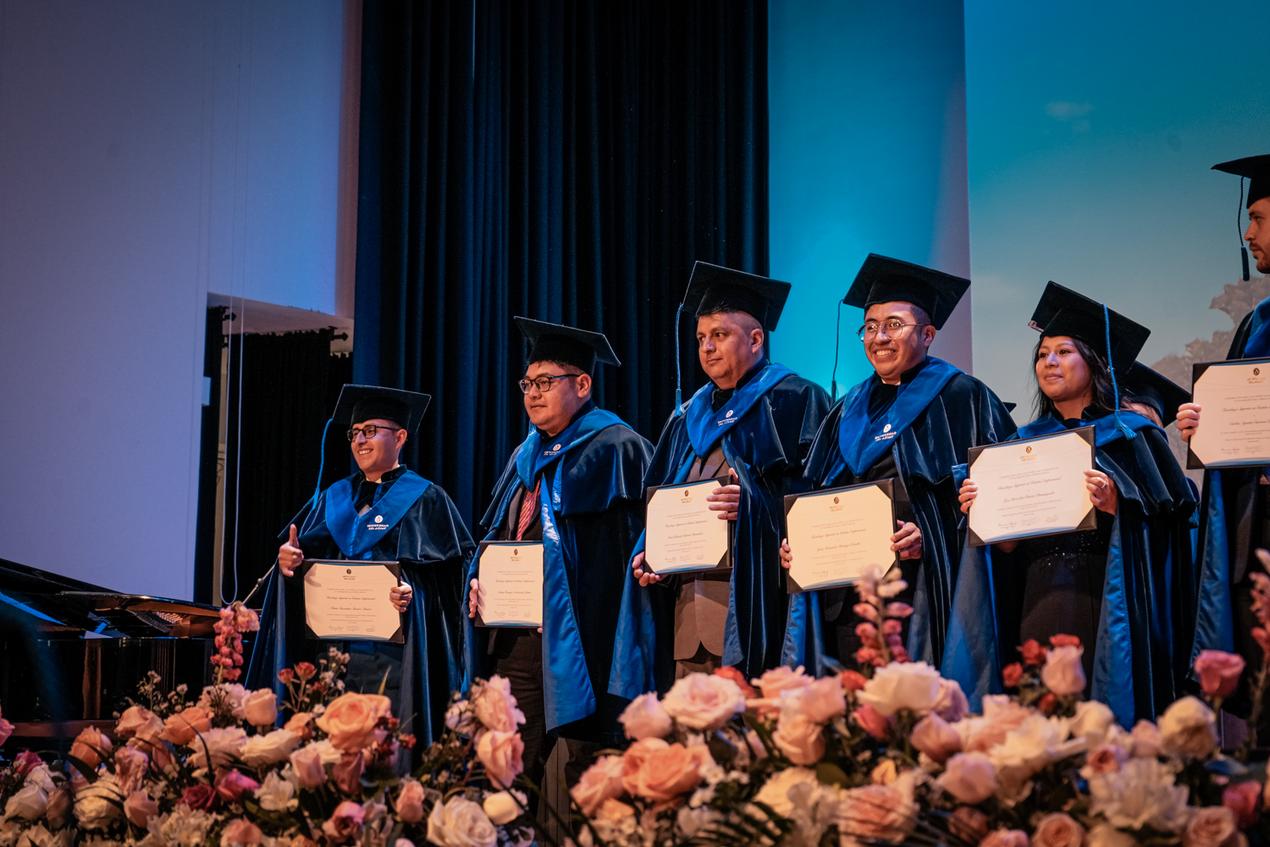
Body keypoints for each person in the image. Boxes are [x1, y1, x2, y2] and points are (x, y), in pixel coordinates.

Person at [958, 283, 1196, 723]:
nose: (1049, 362)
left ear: (1095, 362)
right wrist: (981, 514)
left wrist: (1117, 506)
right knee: (1043, 720)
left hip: (1107, 596)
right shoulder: (1017, 447)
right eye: (1042, 354)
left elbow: (1173, 527)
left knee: (1101, 720)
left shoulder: (1132, 436)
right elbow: (1007, 550)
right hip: (1038, 598)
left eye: (1063, 352)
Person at [781, 254, 1016, 686]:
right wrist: (799, 544)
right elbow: (817, 495)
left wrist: (931, 535)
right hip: (846, 600)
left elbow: (1001, 506)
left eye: (893, 325)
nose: (879, 338)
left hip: (922, 594)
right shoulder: (845, 410)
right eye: (870, 327)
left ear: (927, 334)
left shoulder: (964, 398)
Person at [610, 262, 831, 697]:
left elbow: (820, 505)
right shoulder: (687, 418)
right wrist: (651, 554)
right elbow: (662, 501)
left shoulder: (797, 401)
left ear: (755, 340)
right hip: (687, 617)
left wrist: (753, 507)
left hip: (757, 605)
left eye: (720, 335)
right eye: (700, 338)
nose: (707, 348)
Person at [465, 319, 651, 789]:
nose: (533, 393)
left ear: (582, 385)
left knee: (588, 778)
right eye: (528, 383)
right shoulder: (523, 457)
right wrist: (480, 580)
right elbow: (501, 535)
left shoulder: (617, 448)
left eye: (545, 382)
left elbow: (631, 551)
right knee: (507, 779)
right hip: (518, 640)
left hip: (585, 643)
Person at [247, 385, 473, 748]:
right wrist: (290, 566)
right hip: (332, 659)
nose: (360, 441)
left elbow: (455, 583)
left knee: (386, 753)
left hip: (396, 661)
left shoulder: (428, 500)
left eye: (371, 430)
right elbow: (306, 571)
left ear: (400, 437)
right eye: (354, 433)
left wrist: (415, 592)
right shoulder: (332, 499)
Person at [1181, 154, 1270, 717]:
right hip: (1255, 529)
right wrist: (1204, 428)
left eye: (1258, 218)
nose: (1248, 233)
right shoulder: (1258, 320)